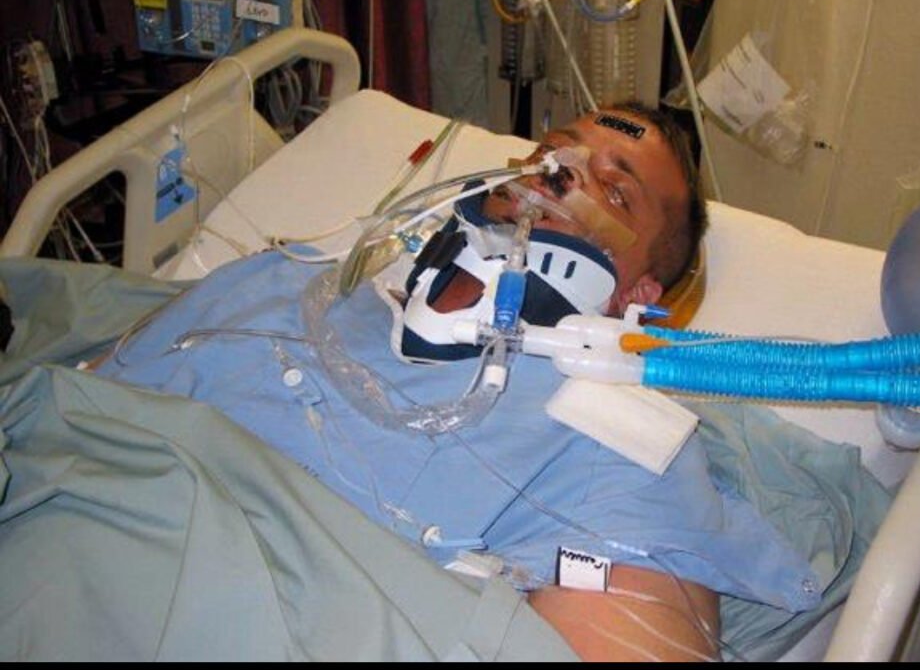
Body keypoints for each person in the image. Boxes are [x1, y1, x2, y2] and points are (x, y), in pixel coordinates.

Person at [96, 104, 821, 662]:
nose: (559, 173)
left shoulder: (609, 441)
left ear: (635, 297)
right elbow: (89, 392)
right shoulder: (294, 276)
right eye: (555, 148)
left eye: (615, 190)